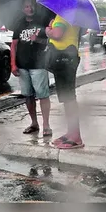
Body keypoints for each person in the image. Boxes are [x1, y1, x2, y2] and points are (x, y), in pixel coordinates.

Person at [11, 0, 51, 137]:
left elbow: (50, 40)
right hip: (22, 66)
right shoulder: (19, 24)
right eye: (27, 7)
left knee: (43, 95)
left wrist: (38, 39)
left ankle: (46, 125)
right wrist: (13, 64)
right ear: (23, 9)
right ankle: (34, 123)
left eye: (32, 6)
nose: (30, 8)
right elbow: (14, 45)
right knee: (28, 95)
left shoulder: (42, 21)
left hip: (39, 65)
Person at [45, 13, 85, 149]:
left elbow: (57, 34)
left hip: (64, 59)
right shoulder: (71, 17)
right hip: (67, 58)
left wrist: (48, 30)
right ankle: (71, 132)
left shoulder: (63, 16)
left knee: (69, 98)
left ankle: (76, 137)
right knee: (67, 98)